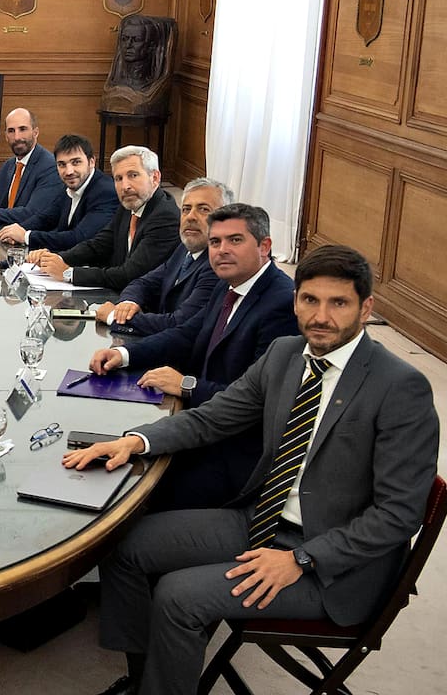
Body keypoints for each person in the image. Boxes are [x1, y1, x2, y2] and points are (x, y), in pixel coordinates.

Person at [65, 245, 439, 695]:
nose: (320, 316)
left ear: (366, 309)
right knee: (122, 543)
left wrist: (303, 560)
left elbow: (400, 515)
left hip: (332, 564)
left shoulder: (401, 386)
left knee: (178, 596)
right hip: (261, 519)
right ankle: (149, 676)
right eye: (309, 300)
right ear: (295, 300)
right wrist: (136, 440)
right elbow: (216, 415)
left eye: (338, 303)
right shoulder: (285, 353)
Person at [88, 203, 299, 510]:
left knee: (131, 492)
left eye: (235, 240)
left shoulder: (280, 303)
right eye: (215, 242)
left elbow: (257, 403)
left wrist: (188, 384)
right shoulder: (229, 283)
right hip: (198, 421)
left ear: (264, 246)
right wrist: (124, 353)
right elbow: (188, 333)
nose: (222, 250)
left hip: (233, 449)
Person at [91, 177, 229, 336]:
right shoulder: (184, 248)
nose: (191, 217)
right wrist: (128, 302)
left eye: (203, 209)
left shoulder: (217, 265)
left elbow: (178, 324)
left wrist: (114, 317)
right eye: (186, 209)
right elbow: (143, 282)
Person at [29, 145, 178, 289]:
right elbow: (98, 245)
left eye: (133, 175)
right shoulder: (129, 204)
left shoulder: (165, 217)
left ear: (155, 178)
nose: (125, 186)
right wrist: (56, 258)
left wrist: (69, 273)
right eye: (118, 178)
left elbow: (129, 274)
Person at [0, 134, 119, 250]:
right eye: (62, 164)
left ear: (92, 162)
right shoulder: (69, 185)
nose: (69, 171)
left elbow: (79, 238)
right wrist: (17, 230)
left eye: (76, 162)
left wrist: (26, 236)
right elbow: (46, 218)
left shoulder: (106, 193)